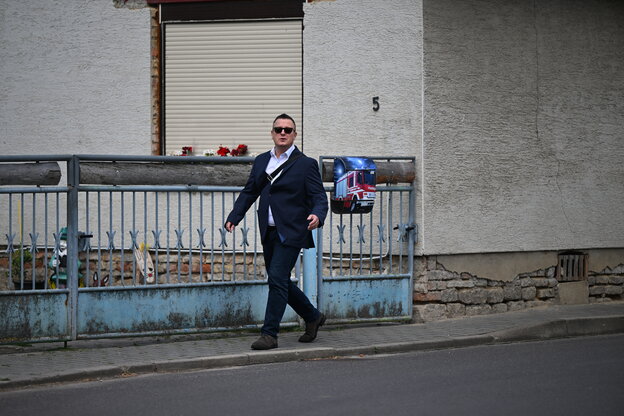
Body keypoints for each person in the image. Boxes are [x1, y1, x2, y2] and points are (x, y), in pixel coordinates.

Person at [225, 114, 328, 350]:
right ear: (272, 133)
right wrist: (234, 216)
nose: (283, 133)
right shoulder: (262, 161)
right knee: (278, 279)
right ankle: (312, 316)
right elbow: (250, 191)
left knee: (278, 279)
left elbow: (319, 197)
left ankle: (269, 334)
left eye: (288, 129)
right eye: (278, 129)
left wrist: (317, 215)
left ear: (294, 134)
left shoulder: (306, 164)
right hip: (269, 231)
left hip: (292, 230)